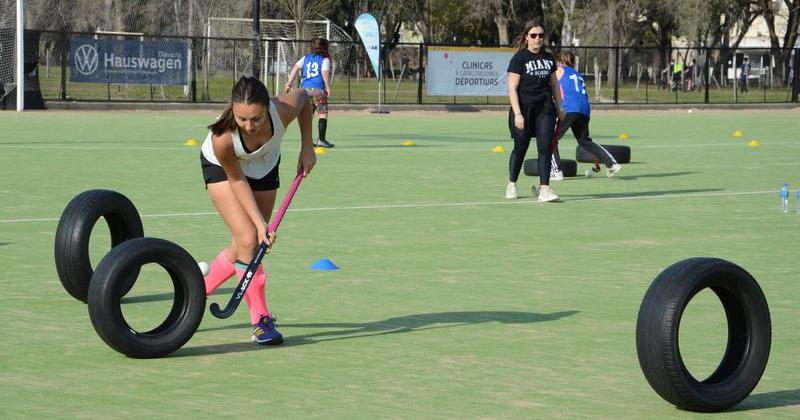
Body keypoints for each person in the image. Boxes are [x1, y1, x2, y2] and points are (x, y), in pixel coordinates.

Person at [200, 75, 316, 345]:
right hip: (224, 169)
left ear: (268, 108)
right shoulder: (222, 139)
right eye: (241, 119)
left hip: (265, 165)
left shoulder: (282, 111)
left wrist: (307, 145)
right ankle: (261, 321)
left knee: (244, 245)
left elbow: (304, 98)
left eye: (256, 119)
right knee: (250, 239)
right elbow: (237, 179)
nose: (249, 126)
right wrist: (260, 225)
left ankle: (199, 288)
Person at [506, 20, 564, 202]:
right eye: (533, 35)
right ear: (526, 37)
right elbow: (512, 88)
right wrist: (518, 114)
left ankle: (544, 189)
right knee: (520, 148)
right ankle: (512, 183)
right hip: (524, 110)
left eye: (540, 35)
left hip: (546, 109)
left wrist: (560, 107)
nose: (537, 39)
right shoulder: (519, 58)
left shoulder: (548, 58)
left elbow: (554, 84)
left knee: (545, 148)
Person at [550, 50, 621, 178]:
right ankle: (612, 163)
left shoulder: (559, 70)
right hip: (584, 109)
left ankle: (556, 172)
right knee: (585, 141)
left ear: (560, 61)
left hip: (569, 107)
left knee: (550, 138)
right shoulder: (578, 75)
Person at [284, 37, 334, 148]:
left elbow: (295, 68)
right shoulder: (324, 60)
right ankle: (321, 140)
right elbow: (324, 73)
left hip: (304, 91)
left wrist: (289, 83)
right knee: (322, 114)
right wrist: (328, 87)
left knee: (307, 117)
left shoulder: (305, 58)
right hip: (318, 91)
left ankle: (307, 141)